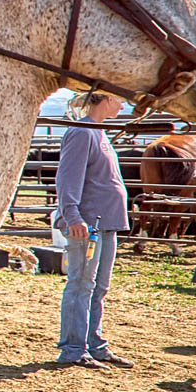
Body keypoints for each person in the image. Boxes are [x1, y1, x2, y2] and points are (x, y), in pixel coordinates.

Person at [53, 91, 134, 369]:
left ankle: (93, 344)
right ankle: (73, 349)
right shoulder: (82, 132)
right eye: (119, 99)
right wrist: (72, 215)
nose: (123, 105)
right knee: (81, 284)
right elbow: (68, 177)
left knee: (98, 287)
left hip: (105, 223)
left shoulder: (98, 133)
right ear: (106, 99)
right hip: (88, 226)